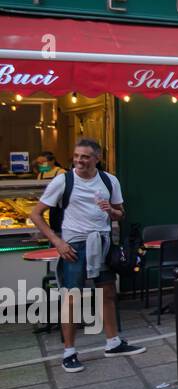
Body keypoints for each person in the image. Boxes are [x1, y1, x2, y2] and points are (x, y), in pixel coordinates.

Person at [29, 138, 146, 373]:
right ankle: (69, 352)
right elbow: (36, 214)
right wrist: (58, 243)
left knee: (108, 293)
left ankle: (113, 343)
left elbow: (120, 214)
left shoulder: (109, 180)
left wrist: (111, 211)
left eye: (85, 156)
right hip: (74, 246)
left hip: (101, 243)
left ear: (97, 158)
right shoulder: (63, 180)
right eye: (76, 156)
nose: (79, 160)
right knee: (72, 298)